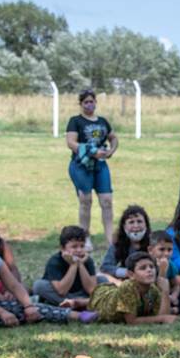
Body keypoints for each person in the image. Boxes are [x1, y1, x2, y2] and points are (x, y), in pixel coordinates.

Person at [0, 218, 95, 329]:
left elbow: (14, 286)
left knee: (28, 306)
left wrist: (28, 306)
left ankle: (78, 316)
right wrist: (3, 313)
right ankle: (14, 317)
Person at [66, 89, 118, 248]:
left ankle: (110, 239)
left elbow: (113, 137)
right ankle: (85, 236)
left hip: (100, 165)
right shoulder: (75, 121)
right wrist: (92, 151)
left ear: (96, 102)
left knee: (107, 201)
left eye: (92, 101)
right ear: (81, 104)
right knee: (85, 201)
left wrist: (111, 151)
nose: (89, 105)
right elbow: (71, 142)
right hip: (82, 165)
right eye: (86, 102)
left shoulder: (102, 121)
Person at [88, 252, 176, 325]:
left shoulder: (153, 289)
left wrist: (165, 291)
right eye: (143, 268)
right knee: (88, 303)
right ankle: (79, 303)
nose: (149, 270)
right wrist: (162, 319)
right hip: (102, 297)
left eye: (151, 267)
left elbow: (162, 316)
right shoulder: (128, 287)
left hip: (116, 294)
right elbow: (131, 321)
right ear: (131, 275)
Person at [33, 225, 103, 308]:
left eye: (82, 246)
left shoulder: (87, 260)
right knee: (39, 285)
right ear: (62, 248)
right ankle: (82, 303)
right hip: (62, 295)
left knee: (103, 280)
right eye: (74, 247)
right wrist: (73, 265)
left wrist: (80, 264)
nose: (79, 250)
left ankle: (77, 303)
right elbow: (62, 291)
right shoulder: (55, 261)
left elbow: (91, 290)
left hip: (82, 293)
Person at [150, 230, 180, 315]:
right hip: (152, 297)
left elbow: (176, 285)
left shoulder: (171, 265)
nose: (166, 253)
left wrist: (174, 296)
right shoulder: (147, 265)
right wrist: (162, 270)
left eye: (169, 250)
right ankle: (178, 310)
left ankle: (175, 309)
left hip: (168, 297)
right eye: (161, 249)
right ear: (150, 250)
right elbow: (154, 289)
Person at [99, 205, 150, 285]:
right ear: (124, 226)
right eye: (131, 222)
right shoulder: (118, 244)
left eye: (139, 221)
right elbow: (105, 267)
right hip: (126, 282)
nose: (136, 226)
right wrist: (125, 272)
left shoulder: (153, 243)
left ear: (146, 224)